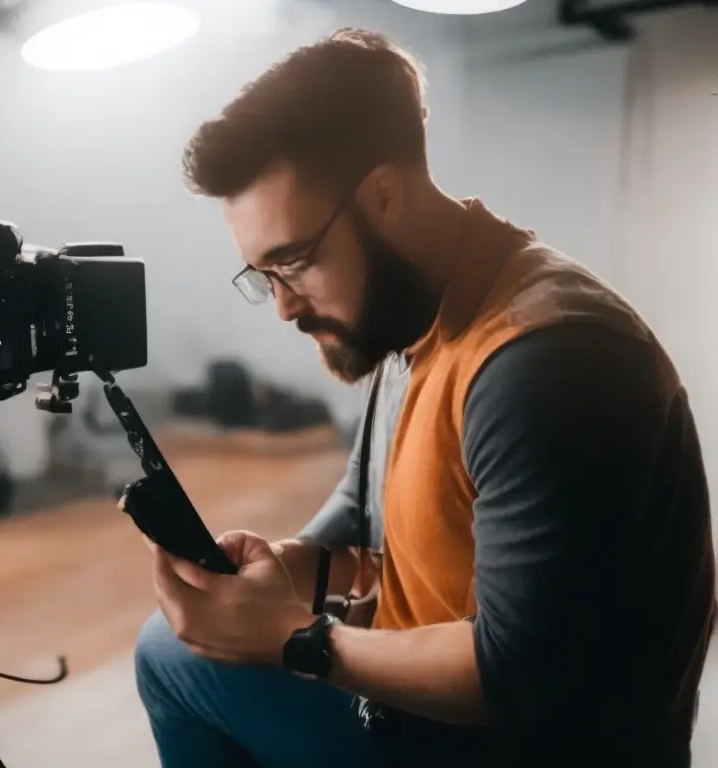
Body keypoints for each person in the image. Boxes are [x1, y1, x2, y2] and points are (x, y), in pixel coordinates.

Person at [132, 27, 716, 768]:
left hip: (518, 742)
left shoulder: (544, 363)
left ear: (382, 197)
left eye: (294, 264)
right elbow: (364, 527)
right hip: (437, 720)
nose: (282, 306)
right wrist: (281, 569)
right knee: (178, 646)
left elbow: (516, 673)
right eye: (262, 276)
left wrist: (292, 639)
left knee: (171, 665)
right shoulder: (411, 316)